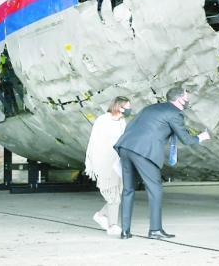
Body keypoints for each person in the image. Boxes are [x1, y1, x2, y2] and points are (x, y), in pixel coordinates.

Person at [113, 87, 210, 240]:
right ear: (180, 100)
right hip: (143, 151)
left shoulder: (150, 107)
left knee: (128, 189)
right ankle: (155, 230)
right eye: (186, 97)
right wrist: (201, 137)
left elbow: (131, 126)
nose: (187, 100)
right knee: (155, 189)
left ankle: (125, 231)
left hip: (125, 146)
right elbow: (186, 139)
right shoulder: (175, 113)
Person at [84, 96, 131, 237]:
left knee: (118, 192)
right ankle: (113, 225)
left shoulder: (123, 121)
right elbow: (96, 143)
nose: (129, 109)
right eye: (127, 106)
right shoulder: (103, 120)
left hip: (118, 160)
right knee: (112, 192)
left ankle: (101, 214)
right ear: (119, 106)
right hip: (105, 159)